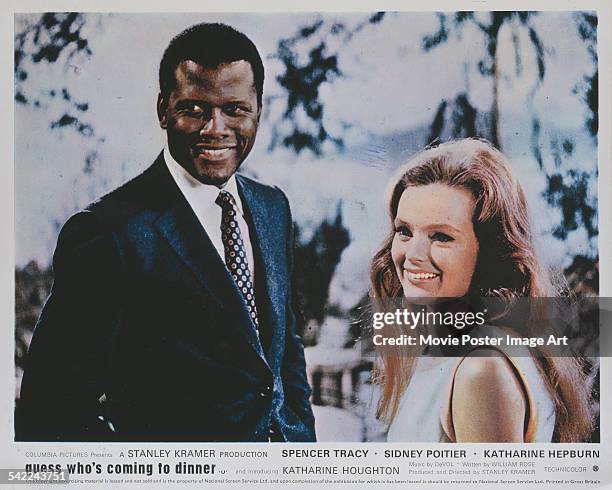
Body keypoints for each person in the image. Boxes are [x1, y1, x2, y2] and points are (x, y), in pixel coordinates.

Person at [17, 23, 315, 442]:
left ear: (258, 109)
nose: (215, 128)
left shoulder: (272, 209)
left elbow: (284, 354)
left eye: (234, 109)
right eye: (194, 109)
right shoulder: (107, 233)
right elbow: (49, 413)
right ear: (163, 110)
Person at [370, 138, 593, 442]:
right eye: (405, 231)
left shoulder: (481, 369)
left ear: (489, 250)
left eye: (441, 236)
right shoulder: (464, 344)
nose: (413, 255)